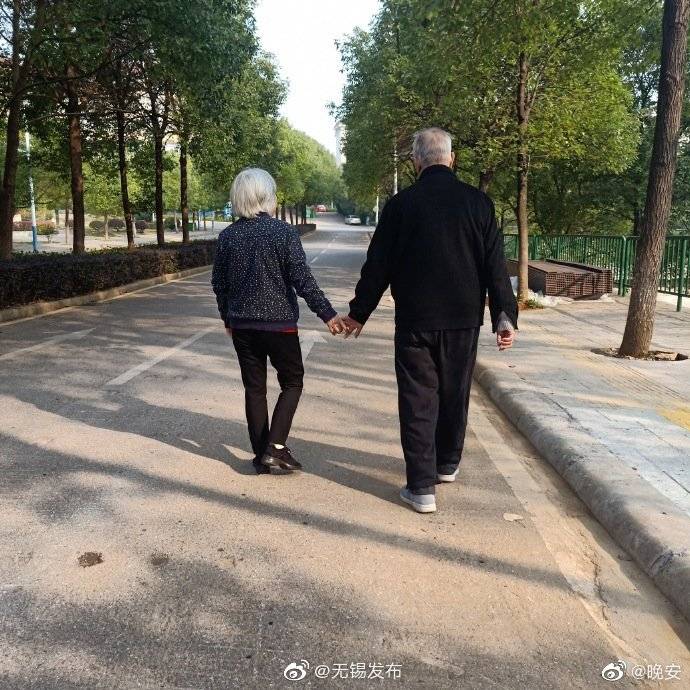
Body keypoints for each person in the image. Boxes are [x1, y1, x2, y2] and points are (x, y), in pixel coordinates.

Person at [343, 128, 518, 514]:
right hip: (463, 321)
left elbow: (378, 265)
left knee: (418, 399)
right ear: (451, 159)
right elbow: (494, 265)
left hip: (415, 322)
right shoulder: (479, 204)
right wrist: (504, 317)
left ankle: (421, 488)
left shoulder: (401, 205)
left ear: (415, 161)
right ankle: (447, 464)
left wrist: (358, 313)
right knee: (455, 392)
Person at [212, 168, 345, 475]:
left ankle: (262, 457)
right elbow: (302, 280)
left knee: (254, 389)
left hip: (243, 326)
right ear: (266, 196)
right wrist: (327, 314)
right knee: (292, 382)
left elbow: (219, 284)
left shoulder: (228, 236)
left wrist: (227, 317)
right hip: (279, 325)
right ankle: (275, 447)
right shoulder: (283, 232)